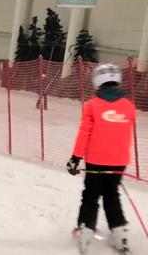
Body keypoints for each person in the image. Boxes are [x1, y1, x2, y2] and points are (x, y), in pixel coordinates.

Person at [69, 64, 136, 254]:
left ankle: (85, 230)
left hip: (96, 160)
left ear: (98, 81)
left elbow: (84, 134)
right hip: (118, 161)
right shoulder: (129, 107)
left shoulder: (92, 105)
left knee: (91, 195)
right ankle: (120, 233)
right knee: (112, 195)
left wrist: (75, 159)